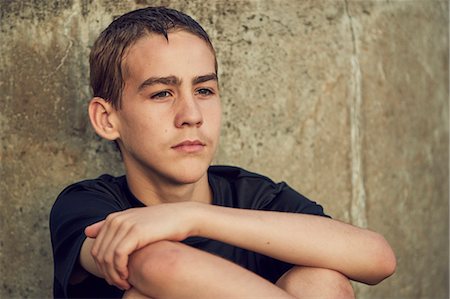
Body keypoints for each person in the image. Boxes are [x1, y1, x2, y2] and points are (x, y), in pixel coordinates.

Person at [50, 6, 396, 299]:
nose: (192, 115)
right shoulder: (89, 205)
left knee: (321, 283)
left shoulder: (250, 195)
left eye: (203, 89)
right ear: (107, 119)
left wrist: (193, 217)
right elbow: (165, 265)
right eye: (161, 94)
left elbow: (378, 259)